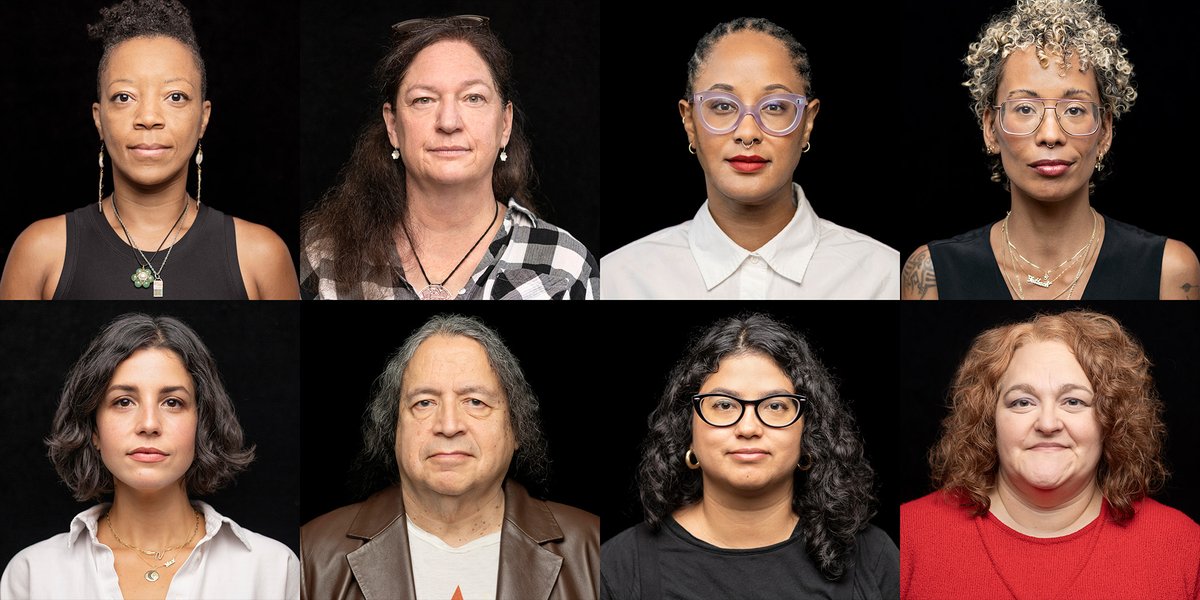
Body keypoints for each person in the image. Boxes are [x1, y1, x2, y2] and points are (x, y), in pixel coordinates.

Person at [0, 0, 299, 300]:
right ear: (99, 118)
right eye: (124, 97)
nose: (148, 118)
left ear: (203, 119)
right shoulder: (40, 252)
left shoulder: (261, 257)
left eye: (176, 96)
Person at [902, 0, 1200, 300]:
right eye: (1025, 108)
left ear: (1105, 130)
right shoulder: (931, 273)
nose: (1050, 135)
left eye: (1073, 109)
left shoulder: (1169, 269)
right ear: (991, 128)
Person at [901, 310, 1200, 598]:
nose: (1047, 423)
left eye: (1073, 401)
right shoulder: (910, 535)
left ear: (1112, 419)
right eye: (1022, 402)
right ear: (988, 419)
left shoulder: (1183, 546)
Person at [0, 313, 299, 599]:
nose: (149, 424)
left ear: (202, 422)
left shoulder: (275, 570)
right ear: (93, 428)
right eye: (124, 401)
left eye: (172, 402)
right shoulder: (31, 575)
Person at [301, 314, 598, 599]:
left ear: (516, 428)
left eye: (475, 402)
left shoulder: (592, 545)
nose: (449, 426)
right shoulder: (312, 552)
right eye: (425, 402)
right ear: (393, 429)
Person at [601, 314, 898, 598]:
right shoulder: (619, 565)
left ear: (809, 433)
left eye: (775, 406)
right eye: (724, 405)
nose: (748, 427)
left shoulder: (874, 556)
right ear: (687, 428)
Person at [301, 16, 598, 300]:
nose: (448, 121)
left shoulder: (566, 266)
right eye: (424, 100)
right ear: (393, 126)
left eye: (473, 98)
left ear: (504, 124)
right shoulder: (323, 256)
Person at [601, 18, 898, 300]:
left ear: (807, 123)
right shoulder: (619, 278)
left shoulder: (881, 276)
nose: (747, 133)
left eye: (775, 107)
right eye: (721, 105)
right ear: (689, 122)